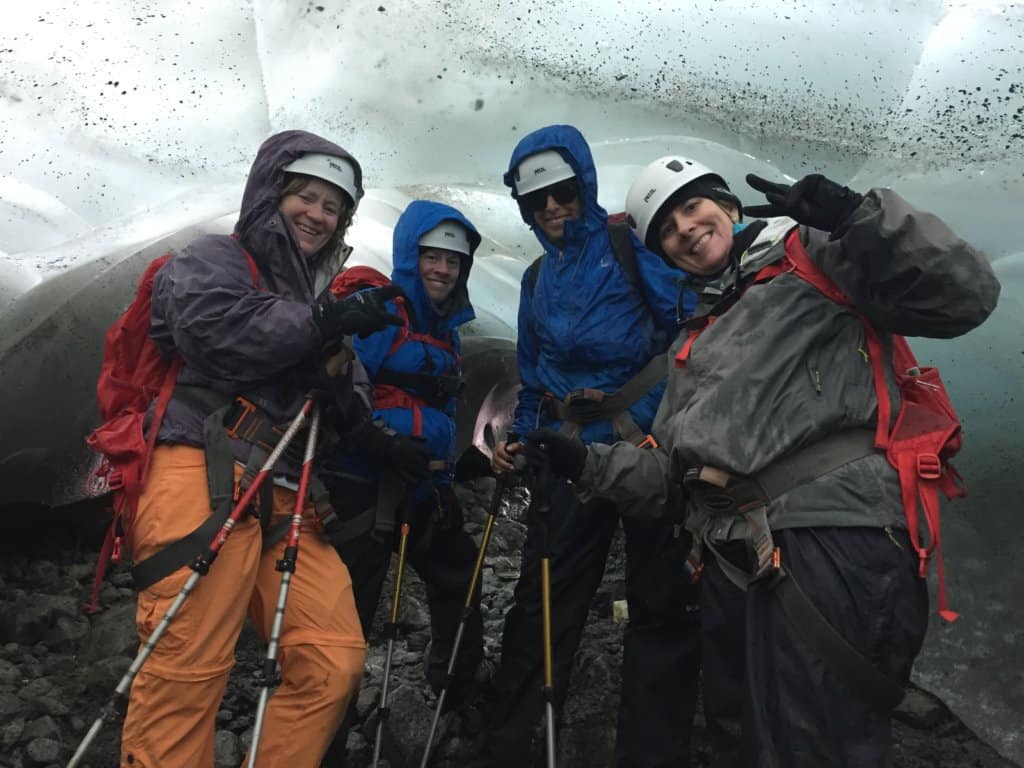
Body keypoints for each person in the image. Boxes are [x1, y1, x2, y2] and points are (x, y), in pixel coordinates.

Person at [524, 156, 1001, 767]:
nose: (686, 230)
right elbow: (674, 483)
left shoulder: (814, 257)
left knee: (814, 739)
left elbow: (964, 294)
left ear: (728, 205)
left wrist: (858, 217)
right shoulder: (693, 340)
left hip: (830, 537)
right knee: (740, 736)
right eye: (668, 230)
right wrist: (585, 463)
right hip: (733, 559)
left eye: (693, 207)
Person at [121, 129, 405, 767]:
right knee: (187, 669)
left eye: (333, 207)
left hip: (284, 491)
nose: (318, 215)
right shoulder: (212, 260)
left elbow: (345, 408)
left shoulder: (317, 300)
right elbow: (211, 329)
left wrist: (338, 378)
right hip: (201, 470)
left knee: (332, 661)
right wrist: (320, 325)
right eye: (306, 197)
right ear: (271, 194)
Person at [486, 125, 702, 768]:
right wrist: (521, 440)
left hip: (645, 450)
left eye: (562, 193)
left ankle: (651, 752)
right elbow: (534, 372)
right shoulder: (535, 280)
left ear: (583, 186)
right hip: (569, 456)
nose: (552, 209)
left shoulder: (629, 249)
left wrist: (677, 429)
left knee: (659, 606)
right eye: (538, 202)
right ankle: (511, 746)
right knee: (543, 601)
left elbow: (688, 332)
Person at [319, 200, 485, 765]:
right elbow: (339, 393)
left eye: (452, 261)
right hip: (362, 484)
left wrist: (455, 462)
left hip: (422, 485)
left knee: (459, 574)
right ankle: (325, 744)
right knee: (348, 622)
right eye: (432, 257)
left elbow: (435, 407)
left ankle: (455, 689)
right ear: (411, 258)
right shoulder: (381, 309)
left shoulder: (449, 333)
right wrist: (378, 443)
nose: (442, 269)